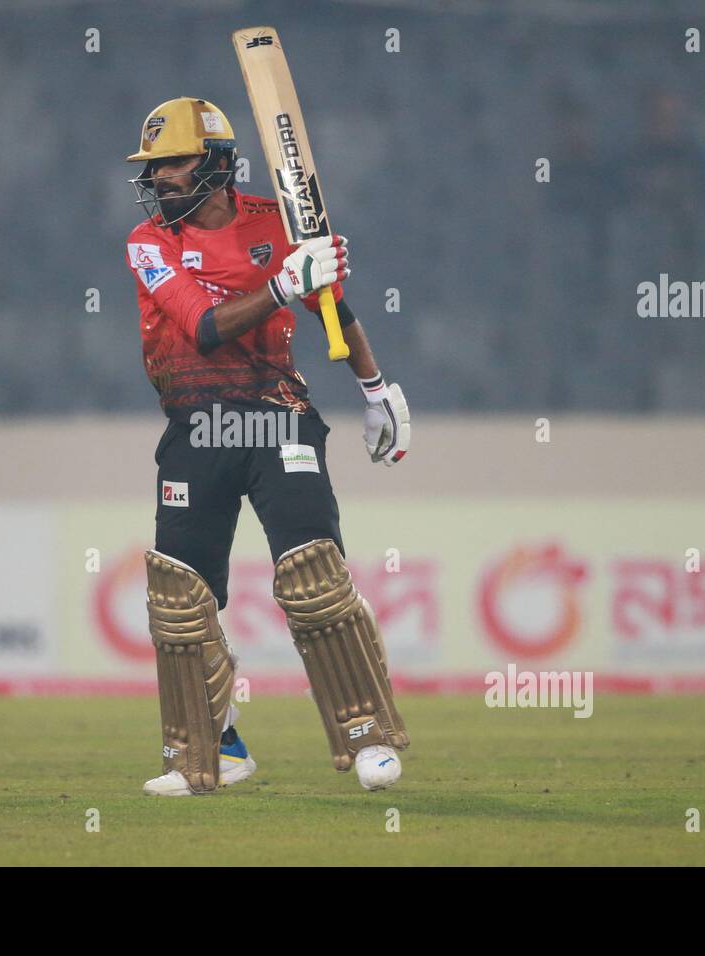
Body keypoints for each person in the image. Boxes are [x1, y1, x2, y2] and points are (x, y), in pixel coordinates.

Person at [123, 97, 411, 796]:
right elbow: (203, 328)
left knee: (313, 573)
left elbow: (335, 309)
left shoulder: (279, 225)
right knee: (180, 598)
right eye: (153, 167)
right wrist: (285, 282)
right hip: (195, 425)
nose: (161, 178)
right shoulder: (147, 243)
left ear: (217, 164)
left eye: (174, 163)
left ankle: (368, 736)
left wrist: (376, 391)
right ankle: (213, 752)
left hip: (278, 418)